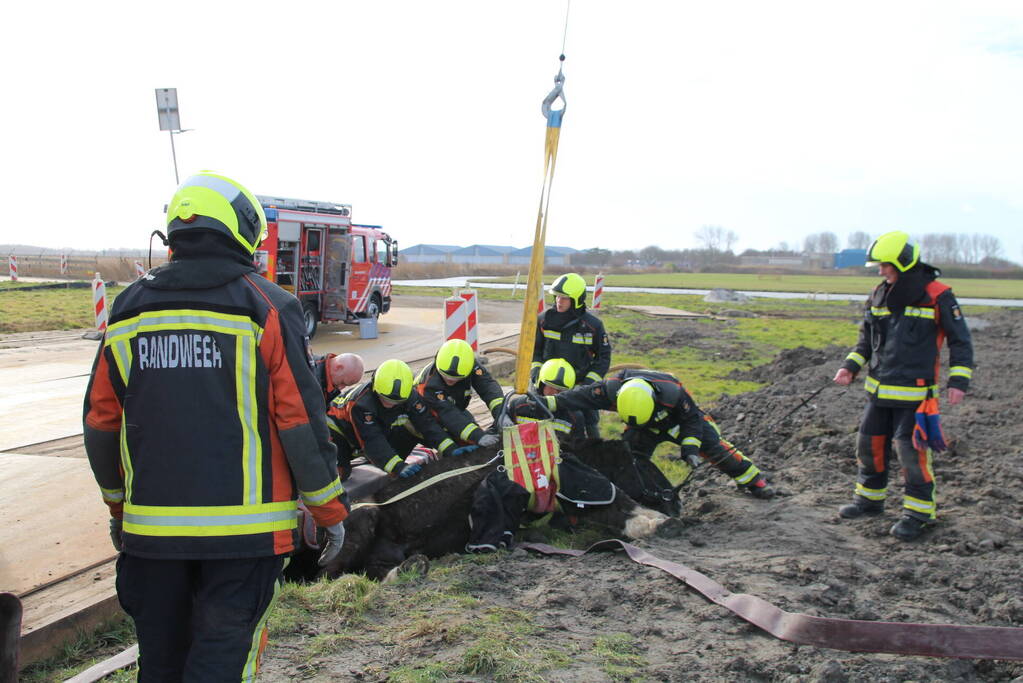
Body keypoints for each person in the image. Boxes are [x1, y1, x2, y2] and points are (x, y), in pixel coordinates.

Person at [83, 172, 349, 681]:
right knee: (222, 666)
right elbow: (299, 421)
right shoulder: (267, 306)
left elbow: (100, 422)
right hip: (244, 541)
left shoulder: (128, 309)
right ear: (244, 230)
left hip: (150, 539)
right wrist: (328, 509)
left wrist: (119, 508)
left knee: (160, 666)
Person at [833, 231, 973, 541]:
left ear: (904, 263)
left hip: (916, 396)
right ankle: (869, 501)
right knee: (868, 447)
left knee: (910, 452)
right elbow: (866, 340)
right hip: (878, 393)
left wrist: (959, 380)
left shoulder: (938, 295)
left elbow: (961, 341)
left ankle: (918, 514)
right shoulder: (879, 294)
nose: (881, 271)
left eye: (885, 265)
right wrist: (849, 366)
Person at [530, 368, 775, 499]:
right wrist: (545, 403)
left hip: (677, 423)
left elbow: (692, 421)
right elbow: (576, 397)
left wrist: (689, 449)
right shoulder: (611, 389)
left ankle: (756, 482)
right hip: (643, 428)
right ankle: (635, 495)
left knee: (716, 449)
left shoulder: (673, 393)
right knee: (628, 457)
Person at [327, 358, 457, 479]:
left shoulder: (410, 396)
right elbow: (372, 439)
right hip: (336, 431)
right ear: (375, 387)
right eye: (386, 400)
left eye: (397, 402)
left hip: (372, 429)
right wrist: (397, 467)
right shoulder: (361, 404)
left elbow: (427, 424)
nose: (390, 405)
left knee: (402, 438)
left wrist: (450, 448)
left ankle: (374, 460)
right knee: (339, 473)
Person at [531, 272, 611, 438]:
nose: (559, 302)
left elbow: (603, 358)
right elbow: (535, 351)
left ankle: (591, 454)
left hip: (579, 385)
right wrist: (536, 373)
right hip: (547, 383)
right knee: (536, 415)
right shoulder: (544, 320)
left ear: (577, 299)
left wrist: (588, 384)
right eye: (557, 297)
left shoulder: (593, 326)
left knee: (589, 421)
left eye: (565, 298)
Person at [415, 339, 503, 449]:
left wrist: (501, 413)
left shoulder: (470, 365)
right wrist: (478, 436)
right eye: (445, 376)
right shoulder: (429, 385)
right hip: (427, 416)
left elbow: (488, 387)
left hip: (455, 408)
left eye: (456, 379)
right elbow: (448, 415)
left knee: (474, 439)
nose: (450, 380)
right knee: (457, 447)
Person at [509, 357, 586, 441]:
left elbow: (578, 449)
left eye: (561, 390)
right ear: (541, 385)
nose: (555, 393)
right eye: (551, 387)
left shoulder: (574, 417)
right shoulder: (518, 406)